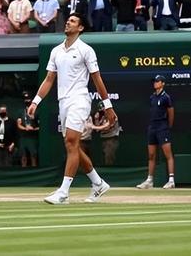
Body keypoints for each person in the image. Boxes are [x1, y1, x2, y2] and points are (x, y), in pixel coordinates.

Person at [28, 12, 116, 204]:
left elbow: (97, 78)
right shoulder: (56, 51)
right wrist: (36, 101)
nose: (68, 22)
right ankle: (98, 183)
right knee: (72, 146)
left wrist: (108, 106)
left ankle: (63, 192)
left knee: (70, 142)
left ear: (80, 28)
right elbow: (49, 79)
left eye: (73, 21)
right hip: (63, 102)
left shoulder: (86, 50)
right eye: (68, 20)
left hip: (80, 99)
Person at [137, 75, 176, 189]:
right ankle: (149, 180)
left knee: (168, 154)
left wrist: (167, 126)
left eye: (157, 81)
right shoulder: (152, 97)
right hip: (152, 128)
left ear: (163, 83)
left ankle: (171, 180)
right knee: (151, 155)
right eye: (154, 81)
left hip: (162, 127)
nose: (155, 83)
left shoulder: (166, 97)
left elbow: (171, 113)